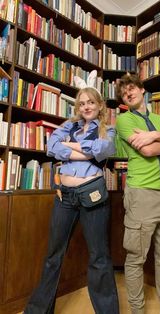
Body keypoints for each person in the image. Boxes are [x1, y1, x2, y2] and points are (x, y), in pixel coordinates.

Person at [24, 87, 119, 314]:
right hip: (64, 196)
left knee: (99, 257)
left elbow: (103, 149)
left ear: (99, 106)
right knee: (53, 256)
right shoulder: (69, 126)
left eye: (91, 102)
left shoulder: (108, 129)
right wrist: (85, 151)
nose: (86, 106)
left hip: (92, 196)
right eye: (82, 103)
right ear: (78, 107)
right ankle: (36, 311)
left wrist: (68, 146)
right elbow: (50, 147)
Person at [115, 74, 160, 314]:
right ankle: (138, 311)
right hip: (141, 194)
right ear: (124, 100)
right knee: (136, 258)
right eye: (124, 92)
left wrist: (154, 134)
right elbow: (147, 151)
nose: (128, 92)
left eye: (132, 87)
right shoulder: (124, 120)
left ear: (142, 89)